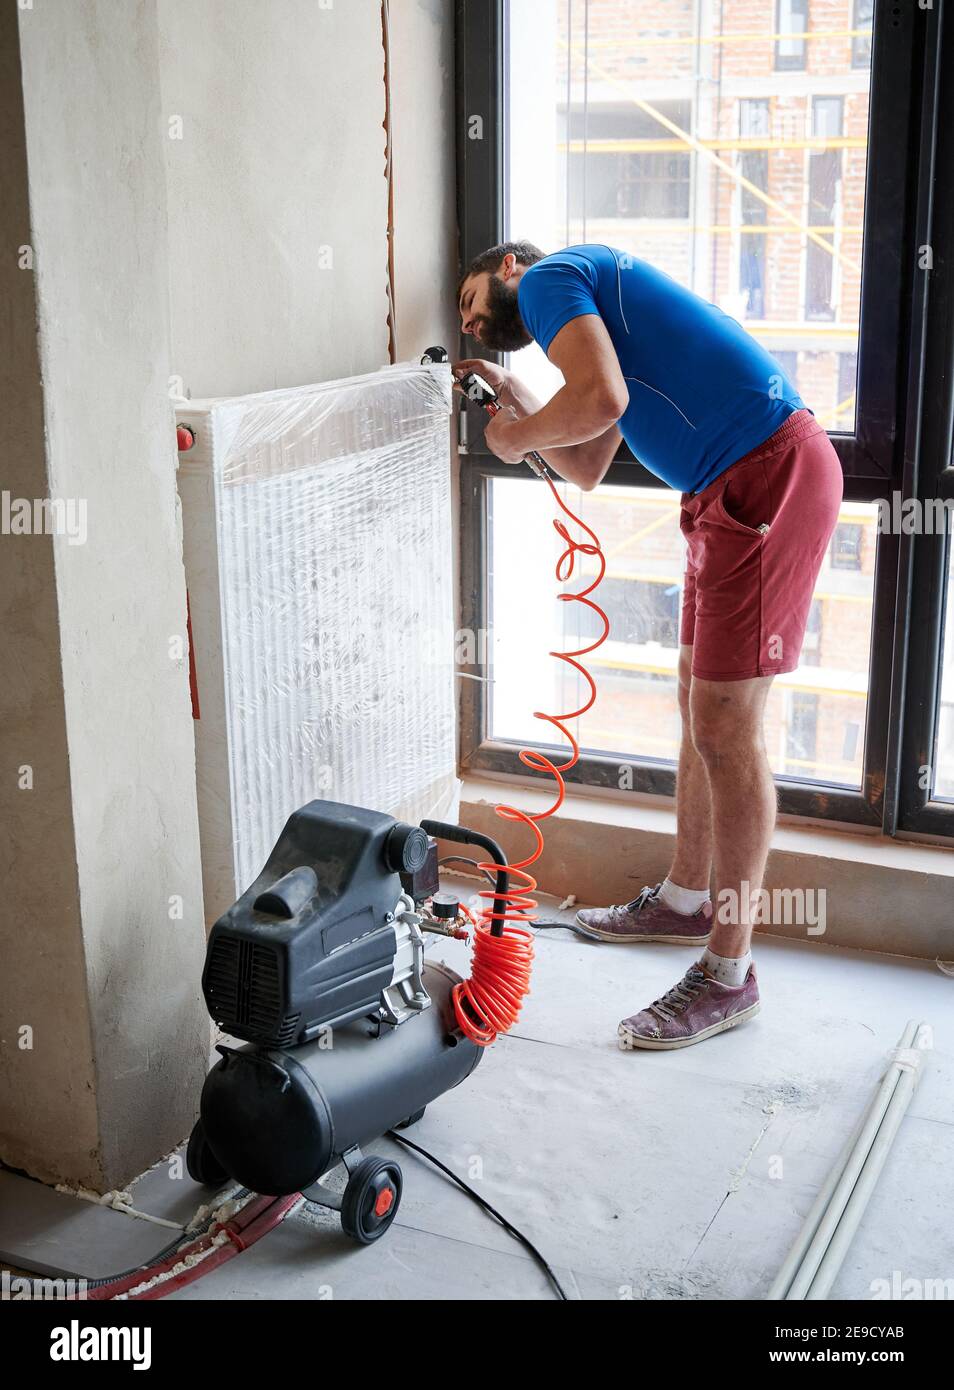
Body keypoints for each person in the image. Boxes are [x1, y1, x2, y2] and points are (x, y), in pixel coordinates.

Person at [455, 240, 843, 1050]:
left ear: (513, 266)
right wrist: (522, 412)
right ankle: (685, 899)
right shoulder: (581, 315)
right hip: (727, 489)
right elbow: (591, 459)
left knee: (727, 730)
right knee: (698, 711)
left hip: (768, 477)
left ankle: (729, 974)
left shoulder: (555, 277)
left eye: (469, 297)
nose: (467, 319)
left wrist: (514, 436)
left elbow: (600, 401)